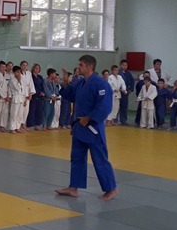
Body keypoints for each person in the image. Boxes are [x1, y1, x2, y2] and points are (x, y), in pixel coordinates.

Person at [55, 55, 117, 200]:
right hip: (80, 126)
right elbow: (71, 95)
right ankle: (73, 187)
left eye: (81, 65)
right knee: (76, 157)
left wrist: (89, 118)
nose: (78, 67)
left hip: (93, 127)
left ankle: (111, 189)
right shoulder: (81, 83)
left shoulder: (100, 83)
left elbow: (105, 106)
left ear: (90, 67)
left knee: (99, 158)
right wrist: (66, 83)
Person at [7, 67, 28, 134]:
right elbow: (17, 88)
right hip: (16, 97)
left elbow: (24, 90)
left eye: (19, 72)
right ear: (14, 72)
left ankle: (17, 127)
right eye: (17, 72)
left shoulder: (22, 80)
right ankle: (12, 128)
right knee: (14, 114)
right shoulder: (12, 80)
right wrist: (18, 81)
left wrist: (25, 99)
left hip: (21, 98)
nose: (19, 73)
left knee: (20, 114)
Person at [27, 64, 45, 130]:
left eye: (38, 68)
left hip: (40, 97)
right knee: (32, 111)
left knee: (38, 111)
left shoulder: (40, 77)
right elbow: (31, 86)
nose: (37, 69)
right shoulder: (30, 76)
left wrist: (43, 92)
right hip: (33, 95)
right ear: (33, 68)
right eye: (36, 68)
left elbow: (43, 85)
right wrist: (38, 92)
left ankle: (36, 125)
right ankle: (29, 125)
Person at [118, 59, 135, 125]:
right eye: (123, 65)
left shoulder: (128, 73)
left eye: (126, 65)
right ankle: (114, 120)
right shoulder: (117, 72)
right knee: (116, 106)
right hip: (118, 91)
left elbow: (132, 81)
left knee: (124, 106)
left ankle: (123, 120)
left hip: (126, 92)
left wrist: (130, 89)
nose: (124, 66)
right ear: (120, 65)